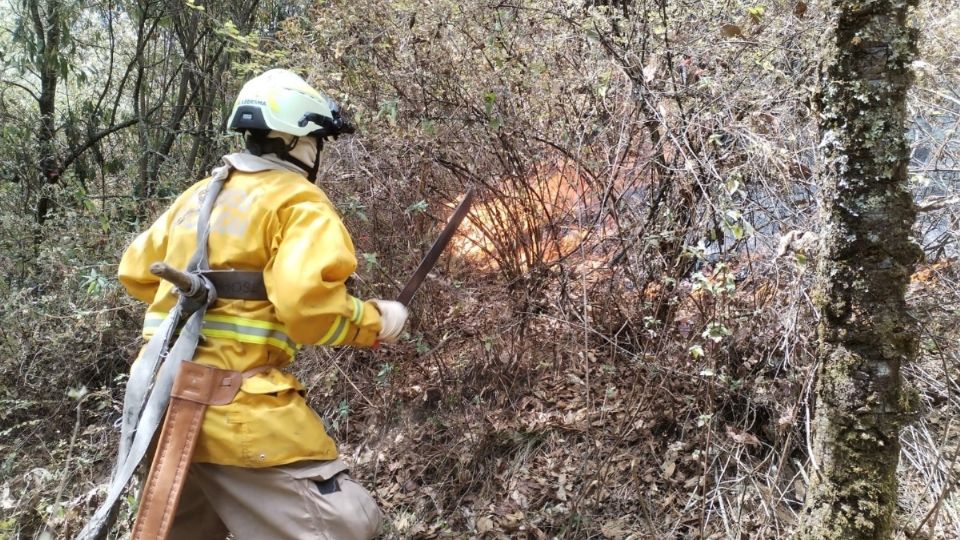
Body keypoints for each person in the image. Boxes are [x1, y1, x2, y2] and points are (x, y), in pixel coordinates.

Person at [116, 68, 407, 539]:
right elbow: (305, 308)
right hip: (242, 416)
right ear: (295, 141)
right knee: (346, 527)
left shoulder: (198, 196)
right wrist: (376, 321)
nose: (317, 150)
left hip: (164, 406)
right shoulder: (298, 201)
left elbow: (134, 270)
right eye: (316, 139)